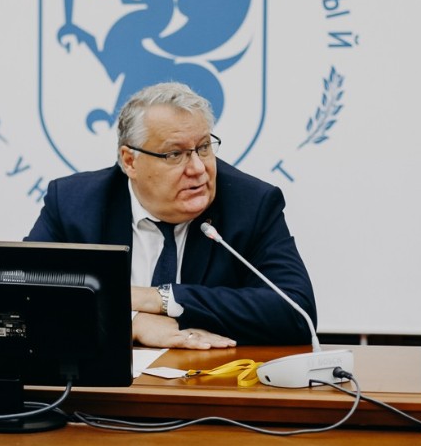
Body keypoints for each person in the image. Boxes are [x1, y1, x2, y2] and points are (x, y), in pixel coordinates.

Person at [26, 82, 316, 350]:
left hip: (209, 382)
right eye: (175, 154)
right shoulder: (75, 205)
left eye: (203, 148)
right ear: (130, 161)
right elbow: (22, 299)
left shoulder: (250, 204)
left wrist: (161, 299)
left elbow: (297, 312)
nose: (198, 169)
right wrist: (131, 323)